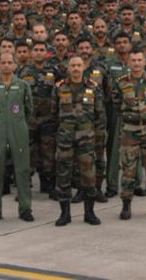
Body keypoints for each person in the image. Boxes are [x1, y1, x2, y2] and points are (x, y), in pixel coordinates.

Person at [113, 47, 146, 219]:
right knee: (128, 170)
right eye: (133, 60)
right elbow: (116, 104)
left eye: (139, 60)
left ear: (144, 62)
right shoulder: (121, 82)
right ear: (128, 62)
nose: (136, 63)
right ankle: (126, 205)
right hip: (130, 131)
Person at [54, 54, 105, 226]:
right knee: (63, 175)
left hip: (87, 139)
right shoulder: (60, 88)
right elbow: (53, 113)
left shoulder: (93, 87)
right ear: (68, 68)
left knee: (89, 176)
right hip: (65, 139)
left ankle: (89, 213)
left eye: (78, 65)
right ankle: (64, 214)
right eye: (72, 65)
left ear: (84, 67)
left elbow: (100, 115)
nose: (76, 68)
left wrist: (98, 139)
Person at [0, 51, 34, 223]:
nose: (6, 65)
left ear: (15, 65)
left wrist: (18, 122)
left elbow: (29, 108)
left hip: (18, 130)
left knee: (22, 170)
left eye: (9, 62)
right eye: (3, 63)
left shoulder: (23, 85)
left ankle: (25, 209)